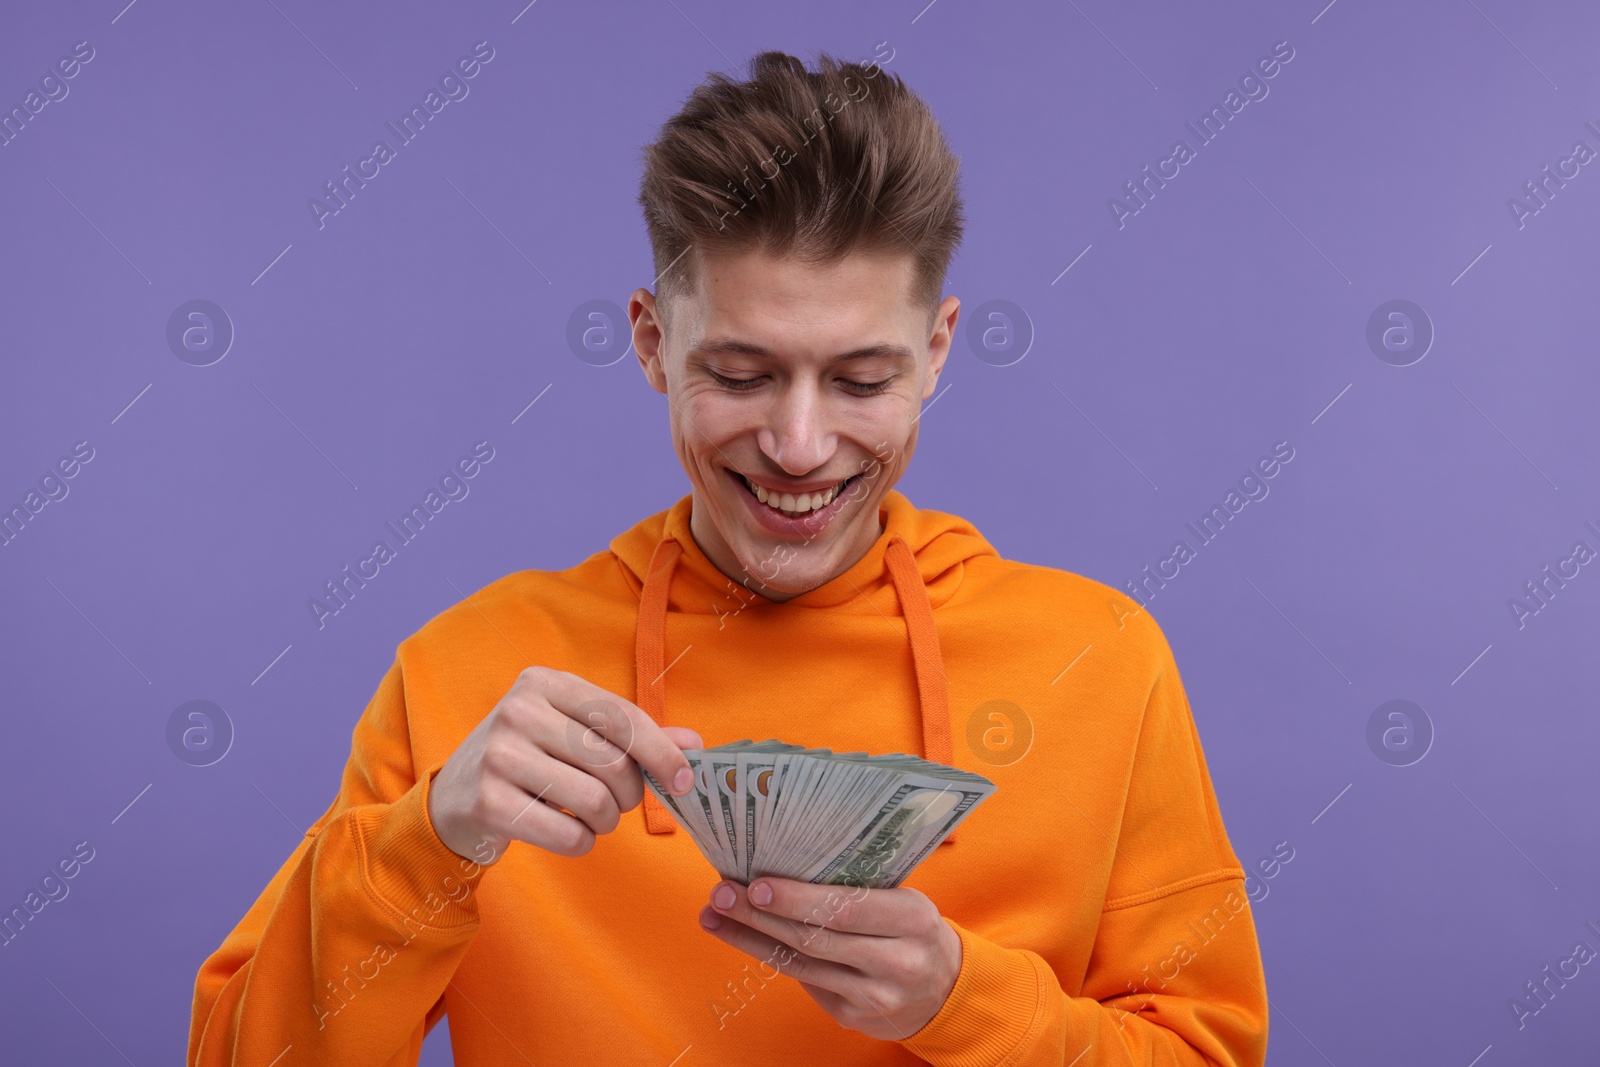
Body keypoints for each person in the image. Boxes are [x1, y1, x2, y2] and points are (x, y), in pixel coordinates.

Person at [188, 50, 1269, 1066]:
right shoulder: (471, 674)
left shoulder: (1104, 660)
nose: (800, 446)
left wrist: (963, 1001)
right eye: (743, 374)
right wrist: (429, 838)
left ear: (936, 351)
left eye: (859, 381)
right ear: (653, 342)